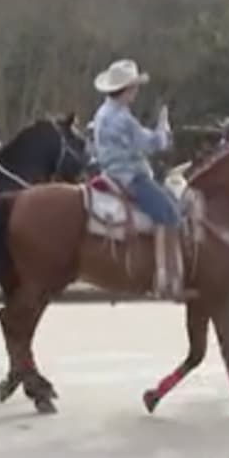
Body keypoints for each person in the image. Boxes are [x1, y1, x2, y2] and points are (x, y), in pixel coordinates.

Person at [90, 58, 183, 301]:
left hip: (110, 172)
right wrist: (164, 128)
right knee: (170, 212)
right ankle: (165, 275)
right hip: (130, 176)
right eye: (135, 88)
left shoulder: (102, 113)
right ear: (127, 89)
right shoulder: (123, 118)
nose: (137, 92)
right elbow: (152, 144)